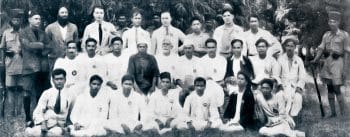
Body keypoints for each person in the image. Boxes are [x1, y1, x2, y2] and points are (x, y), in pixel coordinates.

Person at [311, 11, 349, 117]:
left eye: (334, 21)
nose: (332, 23)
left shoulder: (344, 35)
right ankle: (333, 113)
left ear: (338, 22)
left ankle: (343, 113)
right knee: (330, 88)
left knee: (337, 88)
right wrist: (315, 59)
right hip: (327, 63)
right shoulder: (326, 35)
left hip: (338, 63)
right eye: (330, 21)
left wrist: (345, 68)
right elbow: (321, 48)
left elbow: (346, 53)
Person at [19, 10, 52, 126]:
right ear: (29, 19)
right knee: (27, 91)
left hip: (42, 67)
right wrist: (41, 45)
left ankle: (38, 116)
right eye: (35, 18)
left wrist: (42, 50)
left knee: (40, 92)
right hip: (29, 67)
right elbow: (27, 45)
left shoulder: (43, 33)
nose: (38, 21)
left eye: (39, 19)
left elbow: (50, 46)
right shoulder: (23, 32)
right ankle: (28, 117)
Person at [25, 69, 71, 136]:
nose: (59, 81)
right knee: (33, 132)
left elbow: (73, 112)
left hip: (59, 125)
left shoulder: (70, 94)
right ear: (52, 80)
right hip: (46, 122)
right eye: (57, 79)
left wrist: (69, 126)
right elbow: (38, 110)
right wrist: (43, 122)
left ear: (65, 80)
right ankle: (34, 130)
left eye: (61, 79)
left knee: (54, 134)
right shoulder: (47, 93)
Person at [0, 9, 24, 117]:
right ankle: (11, 112)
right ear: (11, 20)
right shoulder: (6, 33)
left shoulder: (26, 33)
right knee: (9, 88)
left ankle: (18, 112)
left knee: (20, 89)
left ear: (21, 21)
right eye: (14, 19)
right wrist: (2, 61)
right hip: (9, 65)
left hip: (23, 65)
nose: (16, 22)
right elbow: (2, 48)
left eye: (18, 20)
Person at [278, 38, 306, 117]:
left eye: (291, 46)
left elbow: (302, 76)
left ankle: (292, 117)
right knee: (280, 96)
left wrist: (299, 87)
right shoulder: (280, 59)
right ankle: (282, 116)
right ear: (285, 47)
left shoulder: (299, 60)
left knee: (297, 97)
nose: (289, 48)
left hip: (294, 86)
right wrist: (279, 85)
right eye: (287, 46)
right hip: (283, 86)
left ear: (295, 47)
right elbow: (276, 75)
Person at [45, 6, 79, 70]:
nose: (64, 14)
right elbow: (46, 44)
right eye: (62, 12)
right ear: (58, 14)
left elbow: (76, 42)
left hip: (69, 59)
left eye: (66, 12)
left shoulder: (73, 27)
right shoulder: (50, 28)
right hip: (54, 59)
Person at [176, 42, 204, 106]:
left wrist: (194, 86)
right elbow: (176, 77)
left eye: (189, 48)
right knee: (181, 94)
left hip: (195, 86)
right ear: (183, 49)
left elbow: (201, 75)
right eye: (186, 48)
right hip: (182, 86)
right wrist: (183, 86)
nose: (188, 50)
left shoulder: (199, 60)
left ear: (193, 49)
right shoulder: (179, 60)